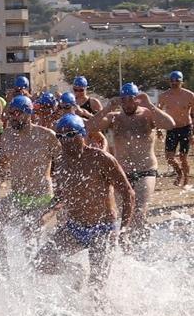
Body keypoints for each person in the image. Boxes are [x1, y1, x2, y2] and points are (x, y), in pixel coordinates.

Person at [37, 114, 136, 289]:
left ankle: (103, 315)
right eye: (60, 136)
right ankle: (75, 271)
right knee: (41, 262)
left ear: (82, 134)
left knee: (96, 286)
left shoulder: (100, 159)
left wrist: (124, 229)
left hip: (103, 229)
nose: (64, 141)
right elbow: (60, 197)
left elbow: (128, 193)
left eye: (69, 135)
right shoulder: (61, 164)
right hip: (75, 228)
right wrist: (45, 215)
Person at [85, 83, 174, 226]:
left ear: (137, 98)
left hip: (146, 170)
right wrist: (107, 108)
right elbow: (88, 127)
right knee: (125, 214)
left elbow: (170, 124)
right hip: (123, 172)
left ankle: (140, 244)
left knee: (139, 211)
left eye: (131, 99)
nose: (127, 104)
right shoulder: (114, 117)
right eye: (124, 100)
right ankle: (129, 242)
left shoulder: (148, 114)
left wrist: (150, 105)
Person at [0, 93, 58, 261]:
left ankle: (35, 273)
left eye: (17, 113)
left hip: (41, 198)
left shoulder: (46, 136)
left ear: (29, 114)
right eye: (10, 113)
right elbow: (1, 162)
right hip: (18, 196)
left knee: (29, 235)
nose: (12, 117)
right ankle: (3, 265)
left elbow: (63, 164)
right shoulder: (8, 136)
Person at [158, 71, 194, 189]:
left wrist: (193, 133)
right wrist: (158, 129)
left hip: (186, 128)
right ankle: (179, 173)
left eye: (177, 80)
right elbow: (158, 113)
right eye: (172, 80)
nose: (174, 83)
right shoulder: (164, 96)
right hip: (171, 129)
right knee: (169, 157)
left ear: (182, 82)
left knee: (183, 157)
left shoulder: (189, 95)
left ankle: (186, 179)